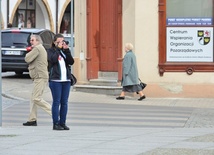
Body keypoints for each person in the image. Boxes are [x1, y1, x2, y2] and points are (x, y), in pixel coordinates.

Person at [23, 34, 52, 126]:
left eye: (33, 40)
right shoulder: (39, 48)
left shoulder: (37, 48)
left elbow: (27, 59)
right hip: (39, 77)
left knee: (36, 98)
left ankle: (55, 113)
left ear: (38, 41)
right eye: (30, 40)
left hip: (40, 77)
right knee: (33, 99)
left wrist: (28, 52)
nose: (31, 42)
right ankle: (32, 119)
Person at [47, 34, 74, 130]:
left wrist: (66, 50)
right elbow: (53, 60)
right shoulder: (51, 51)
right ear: (54, 42)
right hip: (55, 80)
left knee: (64, 102)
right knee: (56, 101)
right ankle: (55, 123)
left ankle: (63, 122)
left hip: (66, 80)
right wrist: (58, 49)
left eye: (63, 41)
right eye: (59, 42)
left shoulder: (64, 51)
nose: (61, 43)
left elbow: (71, 62)